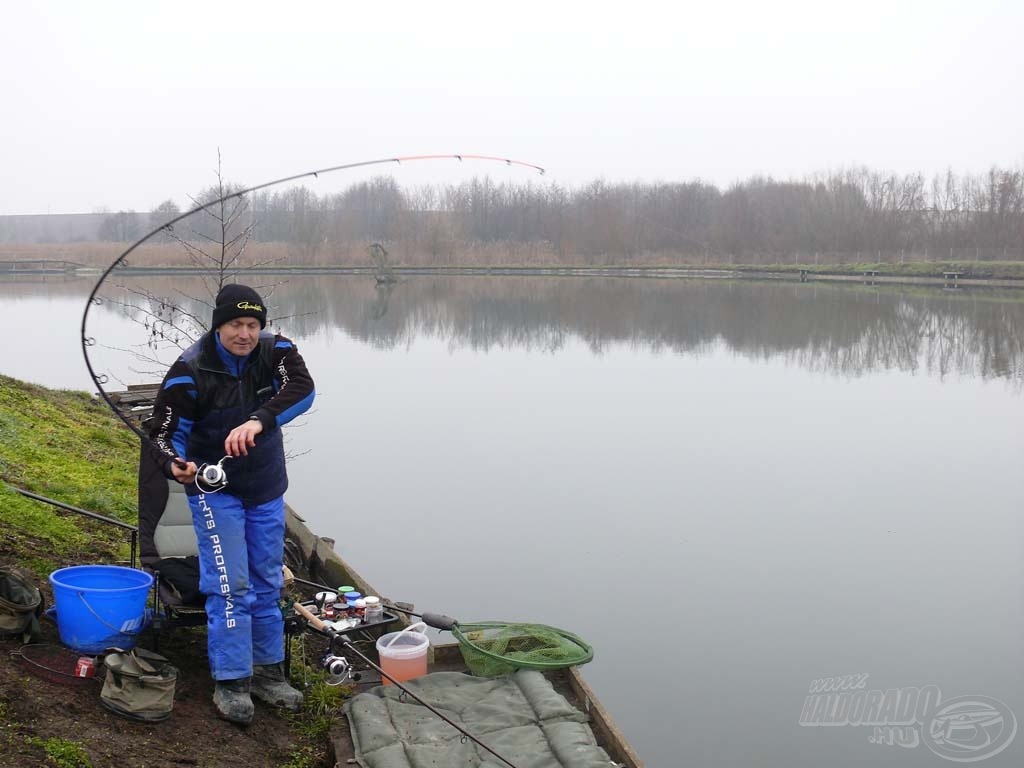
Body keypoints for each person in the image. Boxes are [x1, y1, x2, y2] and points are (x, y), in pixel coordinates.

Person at [147, 284, 315, 724]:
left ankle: (267, 671)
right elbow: (163, 436)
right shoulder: (188, 369)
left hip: (265, 486)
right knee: (230, 582)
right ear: (218, 325)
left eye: (252, 324)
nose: (245, 333)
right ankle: (232, 679)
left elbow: (303, 388)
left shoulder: (275, 351)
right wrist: (175, 466)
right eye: (236, 325)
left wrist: (258, 419)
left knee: (266, 578)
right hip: (214, 490)